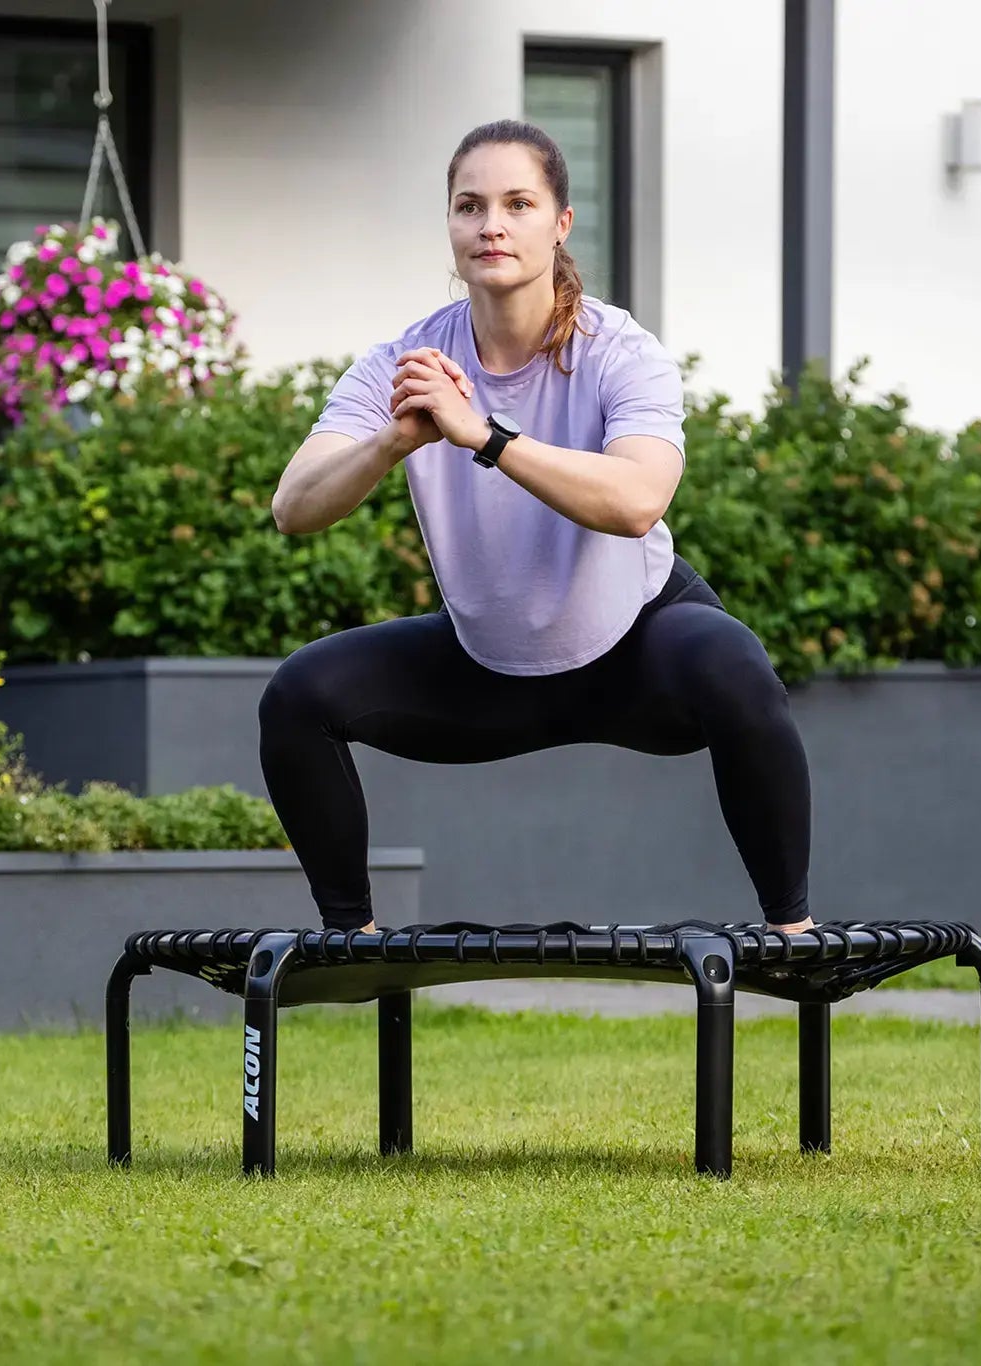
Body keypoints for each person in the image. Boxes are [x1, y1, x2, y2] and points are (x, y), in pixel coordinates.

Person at [259, 118, 814, 937]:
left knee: (733, 661)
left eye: (518, 203)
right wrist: (391, 441)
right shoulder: (404, 363)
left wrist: (485, 434)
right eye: (469, 206)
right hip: (487, 665)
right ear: (448, 225)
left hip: (636, 648)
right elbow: (293, 506)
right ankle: (354, 941)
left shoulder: (621, 351)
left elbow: (637, 501)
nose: (491, 225)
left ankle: (792, 934)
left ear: (559, 223)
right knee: (299, 697)